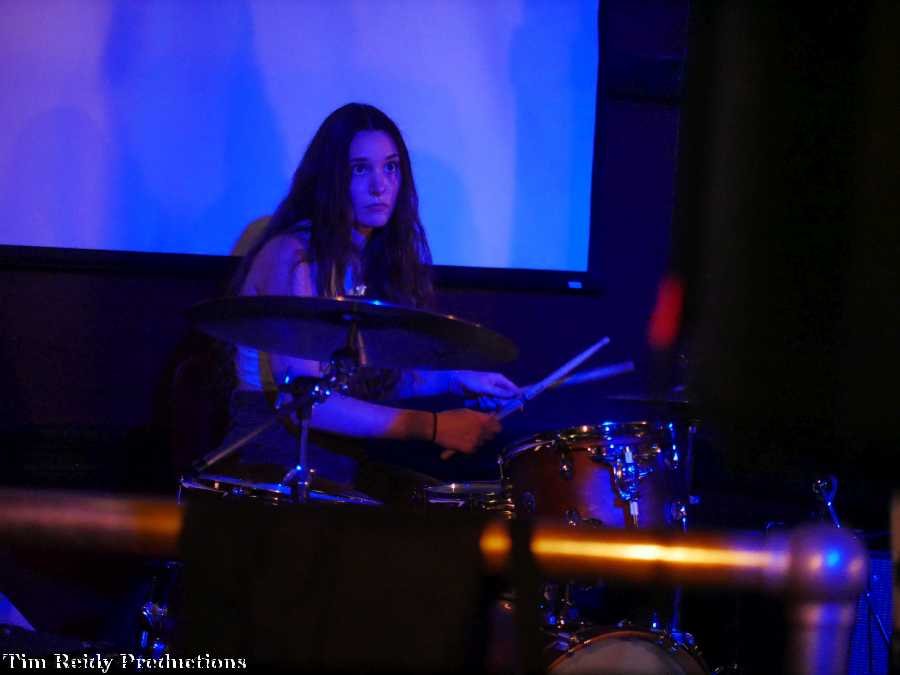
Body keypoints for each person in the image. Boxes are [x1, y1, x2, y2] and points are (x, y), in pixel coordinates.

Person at [208, 103, 520, 503]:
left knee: (454, 502)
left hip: (338, 459)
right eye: (360, 169)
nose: (380, 186)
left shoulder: (365, 260)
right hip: (270, 457)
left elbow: (359, 381)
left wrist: (454, 379)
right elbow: (305, 402)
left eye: (390, 168)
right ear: (330, 179)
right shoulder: (292, 254)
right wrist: (434, 427)